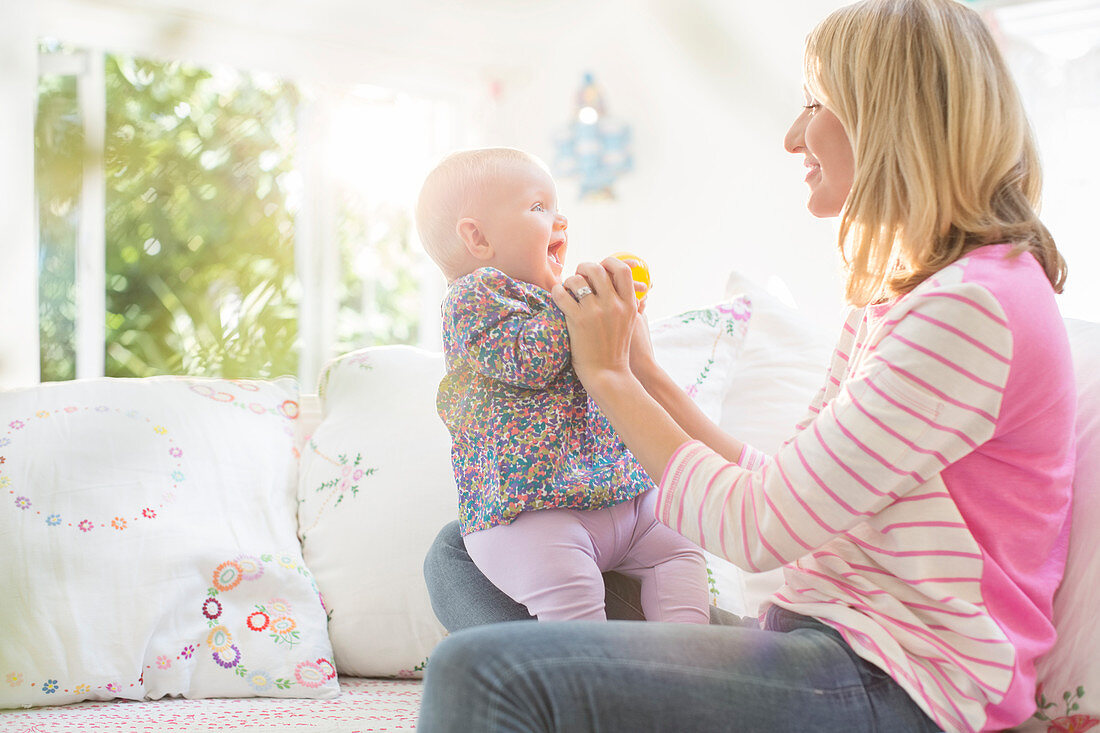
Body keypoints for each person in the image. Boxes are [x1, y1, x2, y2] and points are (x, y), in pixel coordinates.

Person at [416, 0, 1075, 731]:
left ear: (889, 115)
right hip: (818, 638)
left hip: (899, 686)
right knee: (467, 548)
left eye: (815, 103)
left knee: (480, 671)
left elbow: (758, 525)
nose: (795, 135)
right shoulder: (903, 297)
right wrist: (649, 375)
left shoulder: (974, 307)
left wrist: (609, 379)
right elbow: (783, 483)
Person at [415, 147, 711, 624]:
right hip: (537, 511)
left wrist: (619, 319)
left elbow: (625, 381)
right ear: (477, 237)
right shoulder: (474, 298)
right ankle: (588, 680)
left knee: (680, 546)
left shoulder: (554, 300)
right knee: (569, 595)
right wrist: (579, 306)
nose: (560, 220)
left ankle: (692, 659)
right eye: (538, 207)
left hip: (623, 493)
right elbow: (527, 359)